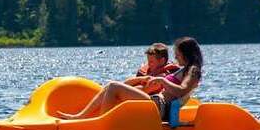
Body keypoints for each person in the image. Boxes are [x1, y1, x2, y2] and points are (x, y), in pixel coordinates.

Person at [58, 37, 203, 121]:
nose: (176, 57)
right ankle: (80, 116)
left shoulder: (193, 70)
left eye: (177, 54)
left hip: (159, 107)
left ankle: (100, 122)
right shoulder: (187, 69)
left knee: (114, 86)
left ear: (186, 53)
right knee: (110, 86)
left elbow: (182, 91)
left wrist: (163, 81)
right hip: (156, 103)